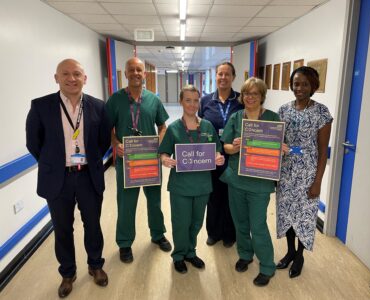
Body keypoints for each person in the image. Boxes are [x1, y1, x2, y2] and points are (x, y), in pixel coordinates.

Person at [26, 59, 111, 298]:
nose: (71, 78)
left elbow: (103, 140)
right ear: (56, 78)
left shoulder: (98, 106)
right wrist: (53, 164)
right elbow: (34, 143)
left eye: (77, 74)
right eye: (66, 74)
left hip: (88, 177)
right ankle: (68, 273)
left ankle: (96, 265)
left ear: (85, 78)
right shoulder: (41, 106)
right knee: (62, 229)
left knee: (92, 225)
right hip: (58, 179)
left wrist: (89, 161)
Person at [106, 57, 172, 263]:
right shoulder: (115, 100)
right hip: (126, 162)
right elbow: (107, 129)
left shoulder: (154, 99)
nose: (135, 73)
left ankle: (158, 234)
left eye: (139, 70)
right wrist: (116, 144)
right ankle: (125, 243)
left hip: (150, 161)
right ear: (125, 74)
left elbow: (163, 127)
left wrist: (158, 145)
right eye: (131, 70)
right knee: (126, 203)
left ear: (145, 74)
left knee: (155, 201)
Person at [220, 77, 281, 287]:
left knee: (258, 224)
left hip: (260, 183)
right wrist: (233, 147)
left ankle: (267, 266)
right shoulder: (236, 118)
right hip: (236, 179)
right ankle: (245, 254)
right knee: (240, 222)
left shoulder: (273, 119)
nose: (250, 97)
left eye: (255, 93)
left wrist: (281, 148)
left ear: (262, 96)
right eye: (246, 93)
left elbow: (285, 148)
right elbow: (225, 146)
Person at [159, 85, 225, 274]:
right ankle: (179, 255)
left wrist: (218, 156)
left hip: (202, 185)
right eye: (188, 100)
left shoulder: (207, 126)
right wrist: (164, 159)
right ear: (181, 101)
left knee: (196, 222)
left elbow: (216, 149)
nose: (192, 104)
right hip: (181, 186)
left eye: (196, 100)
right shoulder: (173, 128)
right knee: (181, 223)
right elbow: (163, 152)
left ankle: (190, 252)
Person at [276, 66, 333, 278]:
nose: (299, 88)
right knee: (287, 214)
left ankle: (299, 256)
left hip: (307, 174)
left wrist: (317, 182)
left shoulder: (321, 112)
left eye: (305, 84)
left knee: (304, 217)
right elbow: (278, 142)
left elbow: (322, 152)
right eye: (296, 83)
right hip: (286, 172)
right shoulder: (283, 110)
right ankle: (290, 251)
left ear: (313, 87)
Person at [198, 62, 243, 248]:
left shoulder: (241, 100)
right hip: (212, 156)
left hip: (235, 156)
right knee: (214, 195)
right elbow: (198, 124)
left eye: (227, 74)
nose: (223, 77)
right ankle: (213, 233)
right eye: (220, 74)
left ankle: (230, 234)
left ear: (233, 77)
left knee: (232, 196)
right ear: (215, 77)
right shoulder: (206, 101)